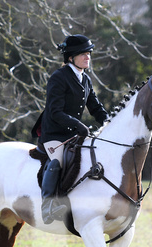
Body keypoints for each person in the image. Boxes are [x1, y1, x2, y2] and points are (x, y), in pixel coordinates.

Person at [33, 34, 109, 224]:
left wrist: (110, 122)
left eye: (89, 53)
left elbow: (96, 108)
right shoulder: (59, 78)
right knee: (57, 161)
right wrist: (78, 125)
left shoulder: (86, 80)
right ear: (70, 57)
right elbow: (55, 112)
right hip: (54, 134)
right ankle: (48, 205)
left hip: (73, 134)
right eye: (83, 54)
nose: (88, 57)